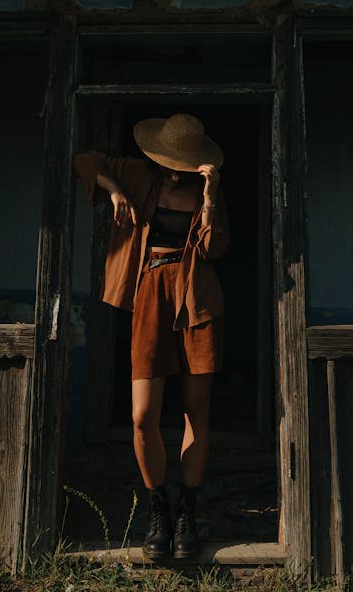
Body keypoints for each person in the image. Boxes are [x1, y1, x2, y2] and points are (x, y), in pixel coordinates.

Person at [73, 112, 228, 561]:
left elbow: (216, 248)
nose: (175, 169)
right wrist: (114, 189)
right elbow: (83, 160)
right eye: (171, 160)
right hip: (150, 296)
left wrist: (212, 197)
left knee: (195, 410)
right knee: (143, 415)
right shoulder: (140, 174)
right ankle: (158, 509)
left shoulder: (207, 189)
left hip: (198, 299)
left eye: (184, 162)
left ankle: (187, 516)